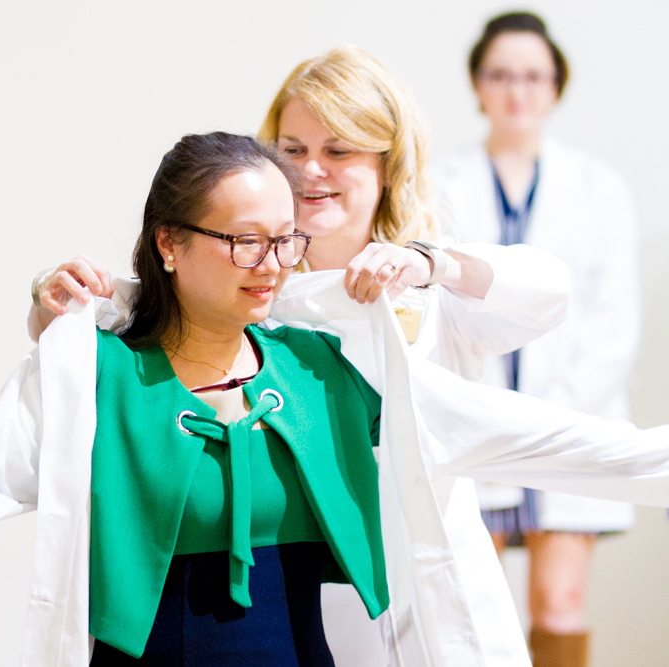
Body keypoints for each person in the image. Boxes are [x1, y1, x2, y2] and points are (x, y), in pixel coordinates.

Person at [0, 132, 669, 667]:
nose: (273, 261)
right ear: (170, 242)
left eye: (285, 240)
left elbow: (521, 430)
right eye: (246, 240)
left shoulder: (326, 369)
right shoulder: (96, 374)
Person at [30, 46, 571, 667]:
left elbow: (548, 292)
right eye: (293, 149)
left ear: (388, 165)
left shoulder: (434, 292)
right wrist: (47, 296)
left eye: (339, 151)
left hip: (435, 606)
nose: (312, 171)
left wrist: (432, 262)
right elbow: (130, 302)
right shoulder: (256, 289)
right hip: (310, 607)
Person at [434, 13, 641, 666]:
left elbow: (613, 320)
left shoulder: (598, 187)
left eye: (532, 75)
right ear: (478, 83)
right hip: (480, 417)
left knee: (558, 605)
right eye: (500, 74)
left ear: (554, 86)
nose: (516, 90)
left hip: (569, 416)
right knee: (474, 605)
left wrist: (552, 411)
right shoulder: (440, 182)